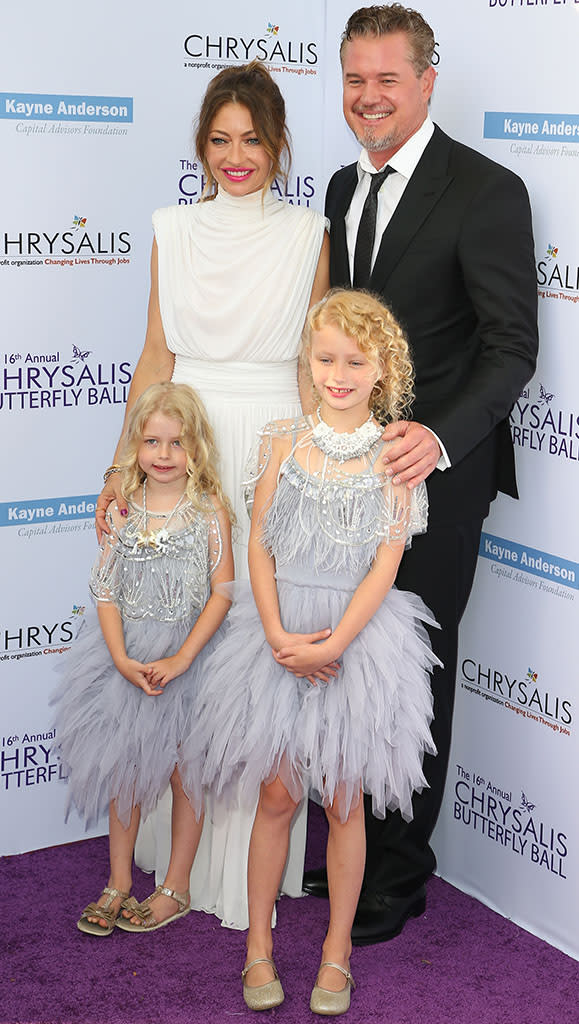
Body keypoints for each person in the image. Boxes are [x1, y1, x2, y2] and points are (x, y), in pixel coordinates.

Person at [302, 4, 539, 945]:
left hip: (436, 474)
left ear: (426, 80)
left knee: (416, 669)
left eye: (386, 80)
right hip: (344, 474)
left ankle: (401, 872)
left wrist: (435, 440)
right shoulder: (334, 186)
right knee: (350, 659)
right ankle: (354, 849)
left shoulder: (487, 190)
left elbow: (509, 348)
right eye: (354, 79)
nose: (367, 97)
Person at [94, 61, 330, 929]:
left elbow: (311, 372)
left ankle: (242, 879)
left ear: (277, 146)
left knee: (249, 645)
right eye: (221, 141)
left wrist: (314, 476)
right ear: (201, 146)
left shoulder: (310, 232)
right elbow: (155, 354)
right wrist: (122, 466)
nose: (237, 157)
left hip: (269, 443)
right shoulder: (172, 228)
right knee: (175, 638)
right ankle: (168, 860)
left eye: (253, 141)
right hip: (182, 441)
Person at [188, 289, 439, 1015]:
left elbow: (386, 564)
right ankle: (257, 948)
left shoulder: (395, 456)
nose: (337, 374)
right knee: (274, 792)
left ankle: (336, 955)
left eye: (354, 362)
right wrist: (274, 634)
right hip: (275, 629)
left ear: (382, 371)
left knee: (341, 799)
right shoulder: (280, 440)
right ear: (308, 361)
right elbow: (258, 544)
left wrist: (335, 641)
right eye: (325, 359)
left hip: (355, 639)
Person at [51, 382, 234, 935]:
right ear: (135, 447)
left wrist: (181, 657)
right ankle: (118, 881)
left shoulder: (209, 513)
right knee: (122, 769)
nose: (162, 454)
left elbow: (222, 592)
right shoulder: (123, 512)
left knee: (188, 771)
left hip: (190, 660)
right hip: (126, 658)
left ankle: (175, 885)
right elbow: (105, 591)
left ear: (197, 450)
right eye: (151, 441)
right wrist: (120, 658)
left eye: (176, 443)